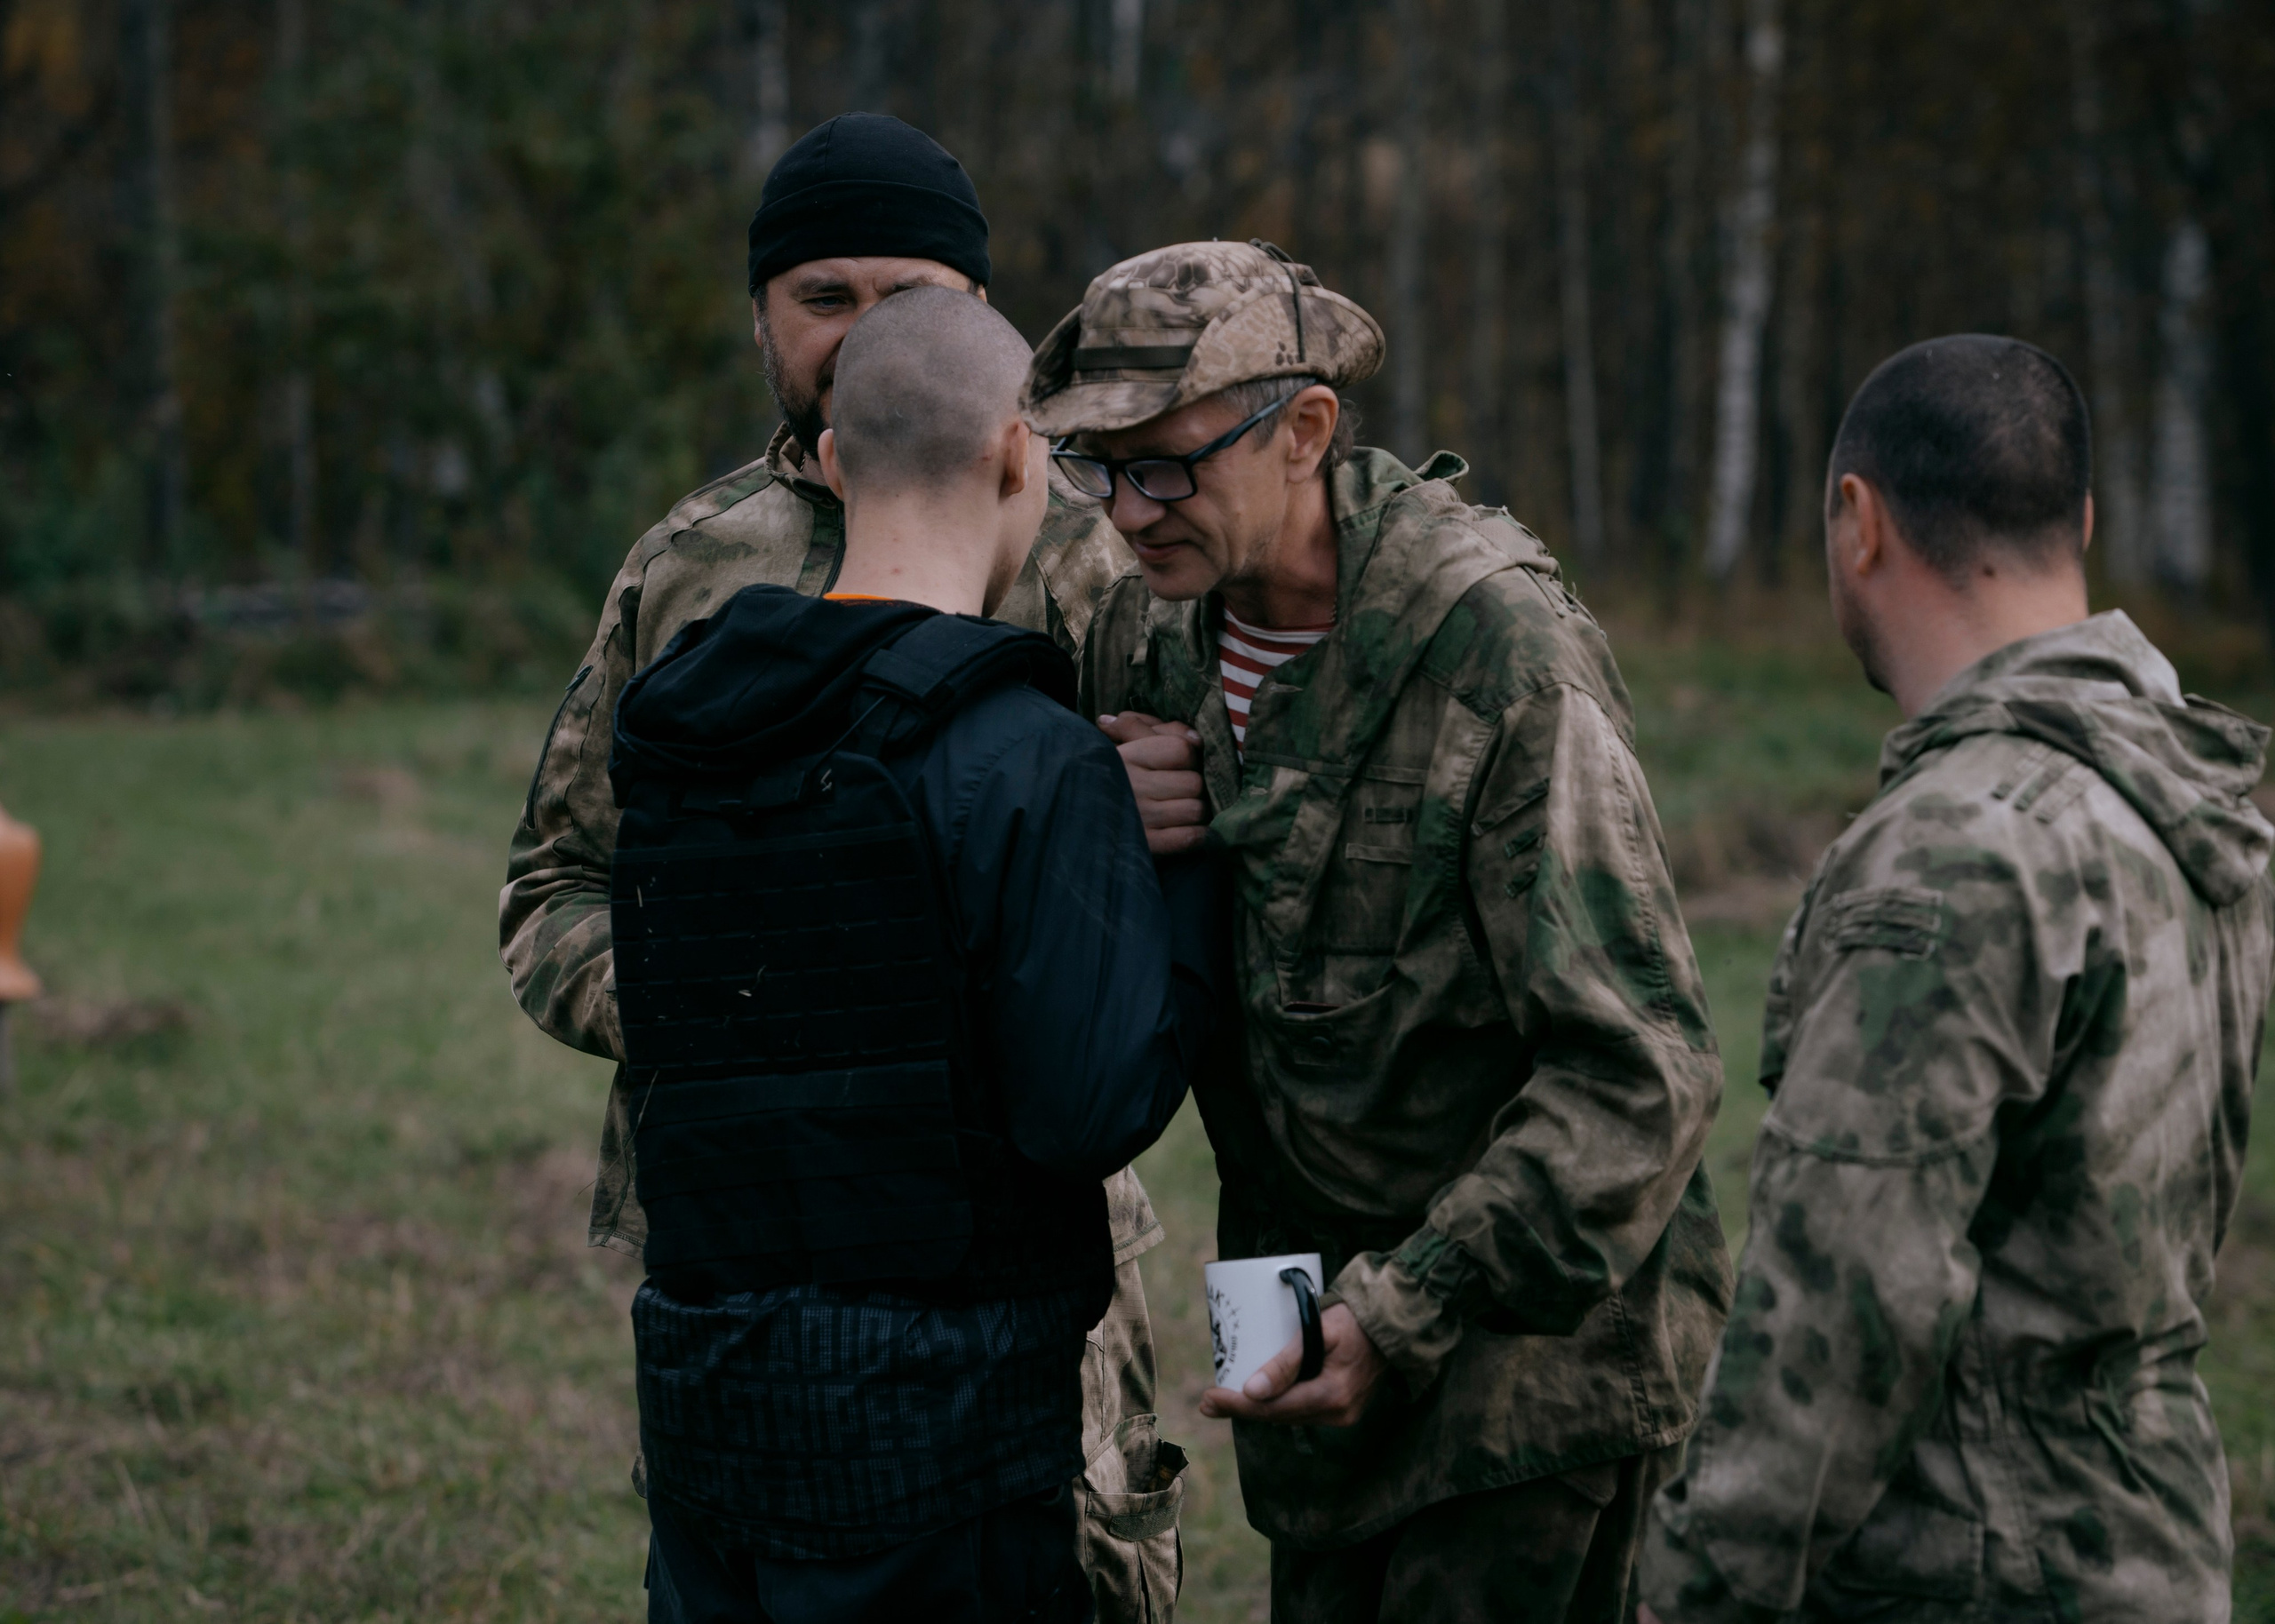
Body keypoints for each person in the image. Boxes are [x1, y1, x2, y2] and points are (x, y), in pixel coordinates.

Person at [495, 114, 1185, 1616]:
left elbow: (1180, 841)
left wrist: (1108, 846)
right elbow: (550, 891)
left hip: (1022, 1234)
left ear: (987, 322)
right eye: (825, 296)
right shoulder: (686, 570)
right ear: (761, 316)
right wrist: (740, 990)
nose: (864, 331)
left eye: (910, 293)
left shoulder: (1094, 557)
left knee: (1065, 1559)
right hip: (747, 1229)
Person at [1027, 239, 1733, 1624]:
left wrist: (1403, 1308)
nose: (1125, 510)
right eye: (1095, 468)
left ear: (1305, 432)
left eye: (1165, 464)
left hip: (1533, 1382)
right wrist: (1083, 811)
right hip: (1310, 1361)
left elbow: (1642, 1076)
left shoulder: (1498, 657)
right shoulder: (1149, 638)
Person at [1637, 336, 2275, 1622]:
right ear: (2082, 521)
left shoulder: (1956, 850)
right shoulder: (2185, 797)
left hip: (1970, 1568)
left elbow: (1845, 1298)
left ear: (1858, 522)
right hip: (2154, 1539)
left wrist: (1698, 1589)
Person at [613, 286, 1223, 1621]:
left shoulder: (681, 732)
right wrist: (1166, 892)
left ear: (833, 461)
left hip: (702, 1410)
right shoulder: (1025, 753)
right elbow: (1089, 1108)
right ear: (1022, 453)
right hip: (939, 1448)